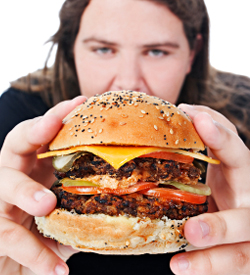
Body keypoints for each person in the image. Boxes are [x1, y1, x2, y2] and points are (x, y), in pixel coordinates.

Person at [0, 0, 250, 274]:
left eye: (157, 51)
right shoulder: (18, 116)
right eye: (103, 49)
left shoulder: (243, 112)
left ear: (192, 54)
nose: (129, 81)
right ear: (71, 50)